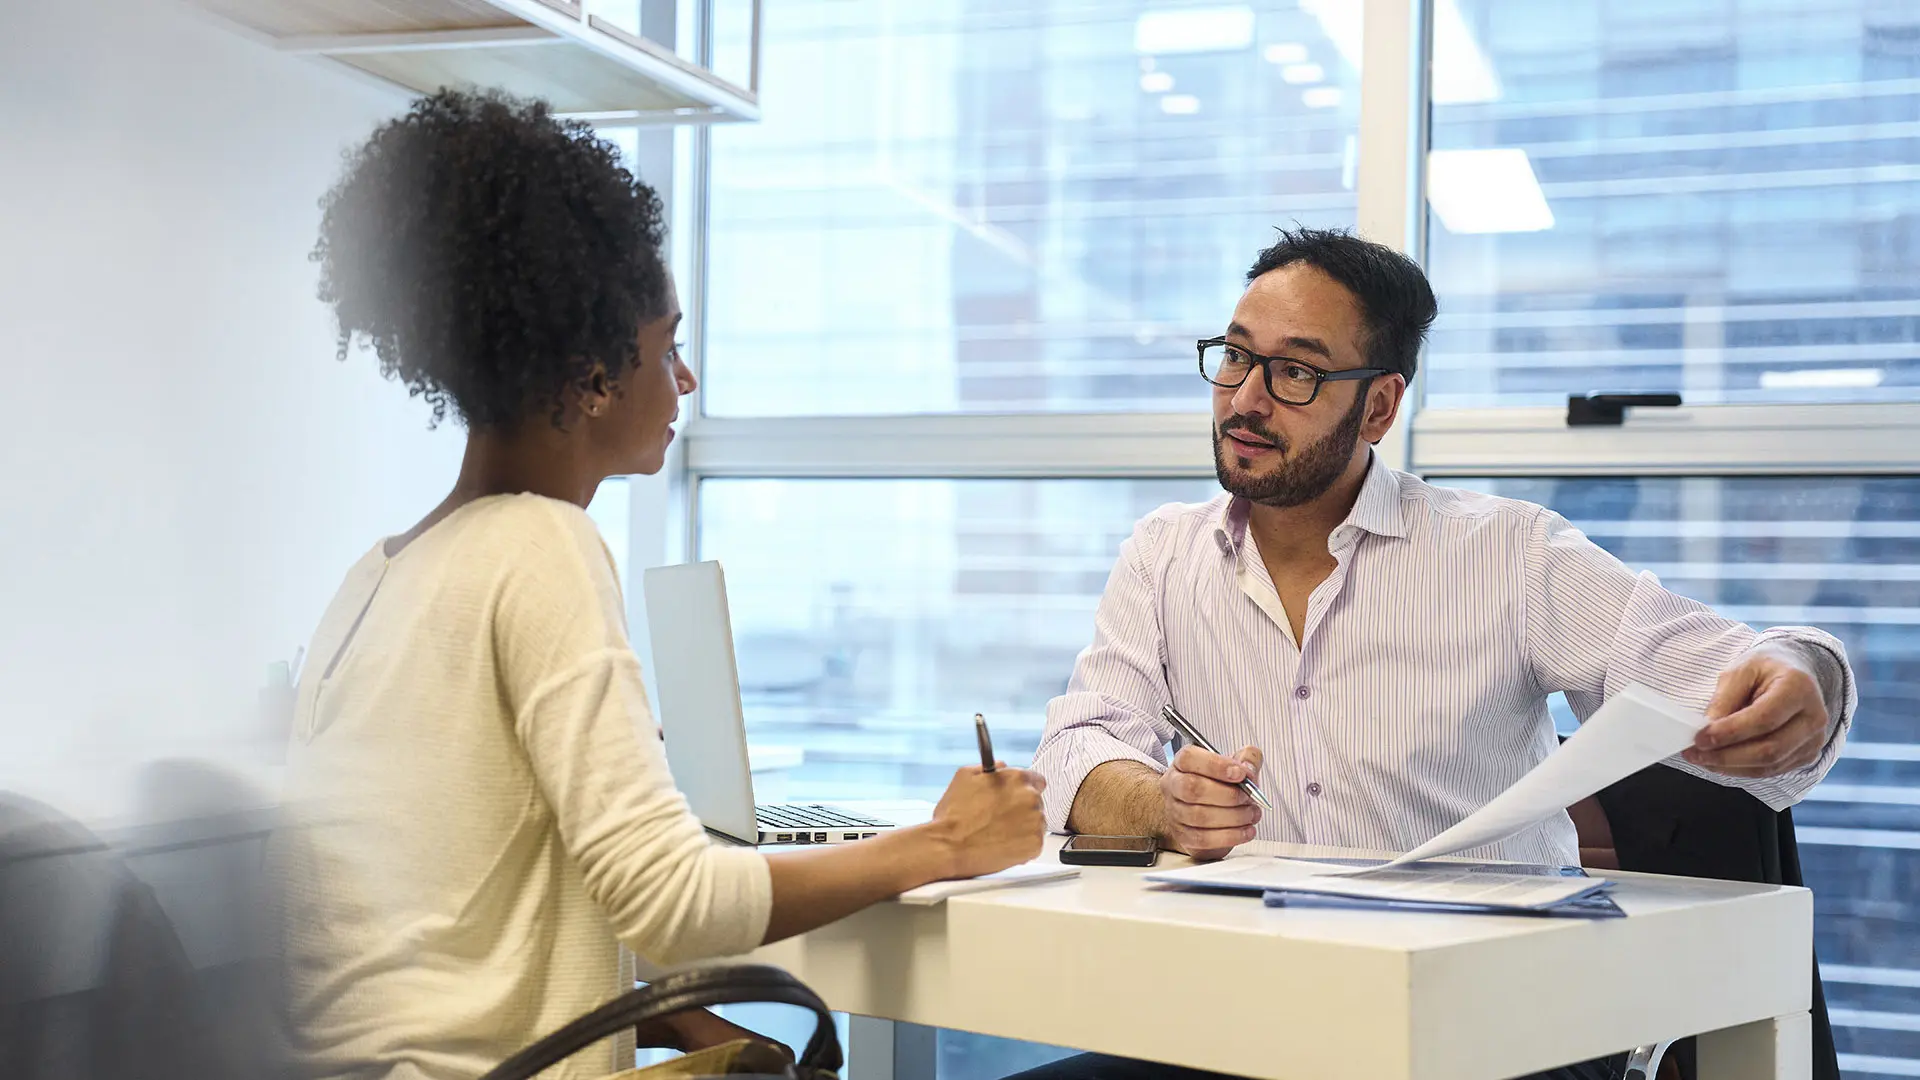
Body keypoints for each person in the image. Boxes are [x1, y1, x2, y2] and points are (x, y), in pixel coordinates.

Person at [273, 89, 1047, 1080]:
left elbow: (449, 929)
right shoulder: (538, 545)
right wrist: (939, 844)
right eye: (667, 346)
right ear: (594, 376)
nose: (682, 382)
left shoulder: (378, 577)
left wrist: (677, 1021)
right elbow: (671, 900)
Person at [1025, 227, 1853, 1080]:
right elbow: (1073, 752)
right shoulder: (1164, 554)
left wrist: (1803, 672)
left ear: (1380, 407)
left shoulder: (1507, 552)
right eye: (1235, 357)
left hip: (1504, 1030)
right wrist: (1163, 801)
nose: (1246, 399)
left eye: (1297, 371)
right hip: (1252, 1020)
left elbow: (1722, 666)